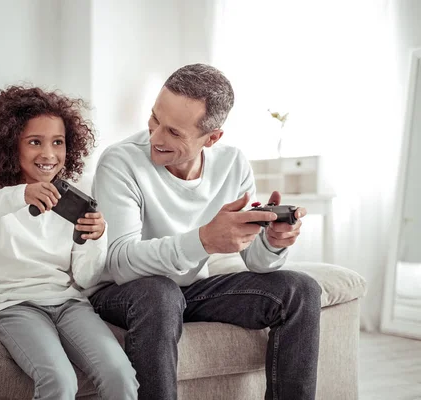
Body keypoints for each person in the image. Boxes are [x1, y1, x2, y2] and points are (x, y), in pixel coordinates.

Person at [86, 64, 322, 400]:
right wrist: (203, 241)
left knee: (301, 290)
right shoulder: (120, 161)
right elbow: (121, 263)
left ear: (212, 138)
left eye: (174, 132)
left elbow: (256, 262)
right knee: (160, 293)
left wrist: (272, 243)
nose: (155, 137)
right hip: (122, 293)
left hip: (189, 291)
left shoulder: (233, 164)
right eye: (154, 118)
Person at [0, 85, 138, 400]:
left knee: (121, 375)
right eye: (34, 142)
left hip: (70, 304)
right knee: (59, 380)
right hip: (14, 306)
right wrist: (20, 194)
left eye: (57, 142)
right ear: (9, 147)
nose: (48, 154)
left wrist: (96, 238)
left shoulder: (74, 201)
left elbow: (85, 278)